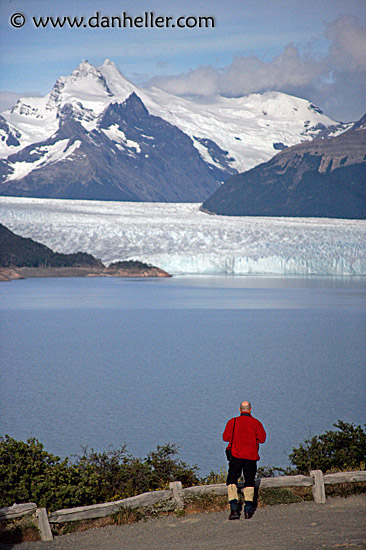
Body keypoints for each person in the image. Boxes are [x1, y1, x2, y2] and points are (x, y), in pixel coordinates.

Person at [223, 400, 266, 520]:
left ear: (240, 409)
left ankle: (234, 508)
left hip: (236, 456)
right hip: (251, 457)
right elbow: (262, 439)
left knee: (232, 481)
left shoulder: (233, 422)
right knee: (249, 481)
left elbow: (225, 437)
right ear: (250, 409)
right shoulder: (256, 423)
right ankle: (248, 510)